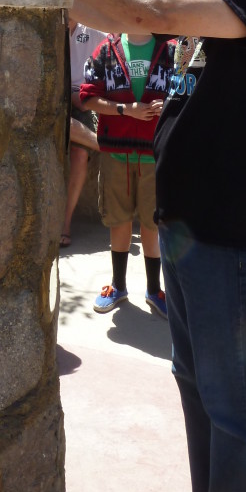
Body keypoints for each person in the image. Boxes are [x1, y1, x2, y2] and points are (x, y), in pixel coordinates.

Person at [0, 0, 246, 492]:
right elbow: (120, 15)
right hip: (192, 234)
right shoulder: (207, 0)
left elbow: (151, 13)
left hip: (236, 241)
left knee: (242, 417)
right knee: (204, 400)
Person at [80, 31, 175, 318]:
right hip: (115, 152)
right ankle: (118, 286)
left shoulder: (171, 52)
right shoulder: (105, 50)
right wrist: (126, 110)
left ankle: (154, 289)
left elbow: (185, 92)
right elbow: (87, 98)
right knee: (118, 220)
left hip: (154, 152)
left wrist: (167, 105)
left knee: (152, 222)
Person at [61, 20, 106, 247]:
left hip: (83, 100)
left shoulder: (93, 30)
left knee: (80, 155)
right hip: (54, 97)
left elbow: (117, 49)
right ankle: (101, 144)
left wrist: (92, 96)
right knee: (57, 119)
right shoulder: (47, 26)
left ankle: (65, 222)